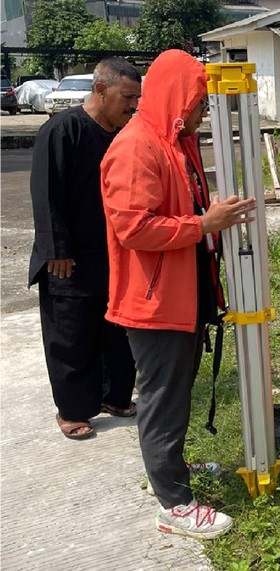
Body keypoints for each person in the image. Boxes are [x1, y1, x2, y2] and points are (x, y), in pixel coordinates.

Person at [100, 49, 256, 539]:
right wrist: (202, 225)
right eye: (198, 101)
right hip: (153, 303)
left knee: (175, 393)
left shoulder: (173, 142)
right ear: (175, 95)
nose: (202, 111)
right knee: (161, 400)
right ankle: (174, 504)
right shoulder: (136, 147)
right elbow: (133, 227)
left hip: (182, 294)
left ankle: (174, 471)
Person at [28, 57, 142, 440]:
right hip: (69, 258)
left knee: (116, 330)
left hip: (112, 252)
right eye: (126, 97)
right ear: (100, 90)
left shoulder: (122, 135)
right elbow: (46, 194)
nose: (132, 106)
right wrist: (55, 248)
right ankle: (73, 410)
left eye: (136, 99)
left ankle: (115, 397)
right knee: (71, 334)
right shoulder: (62, 130)